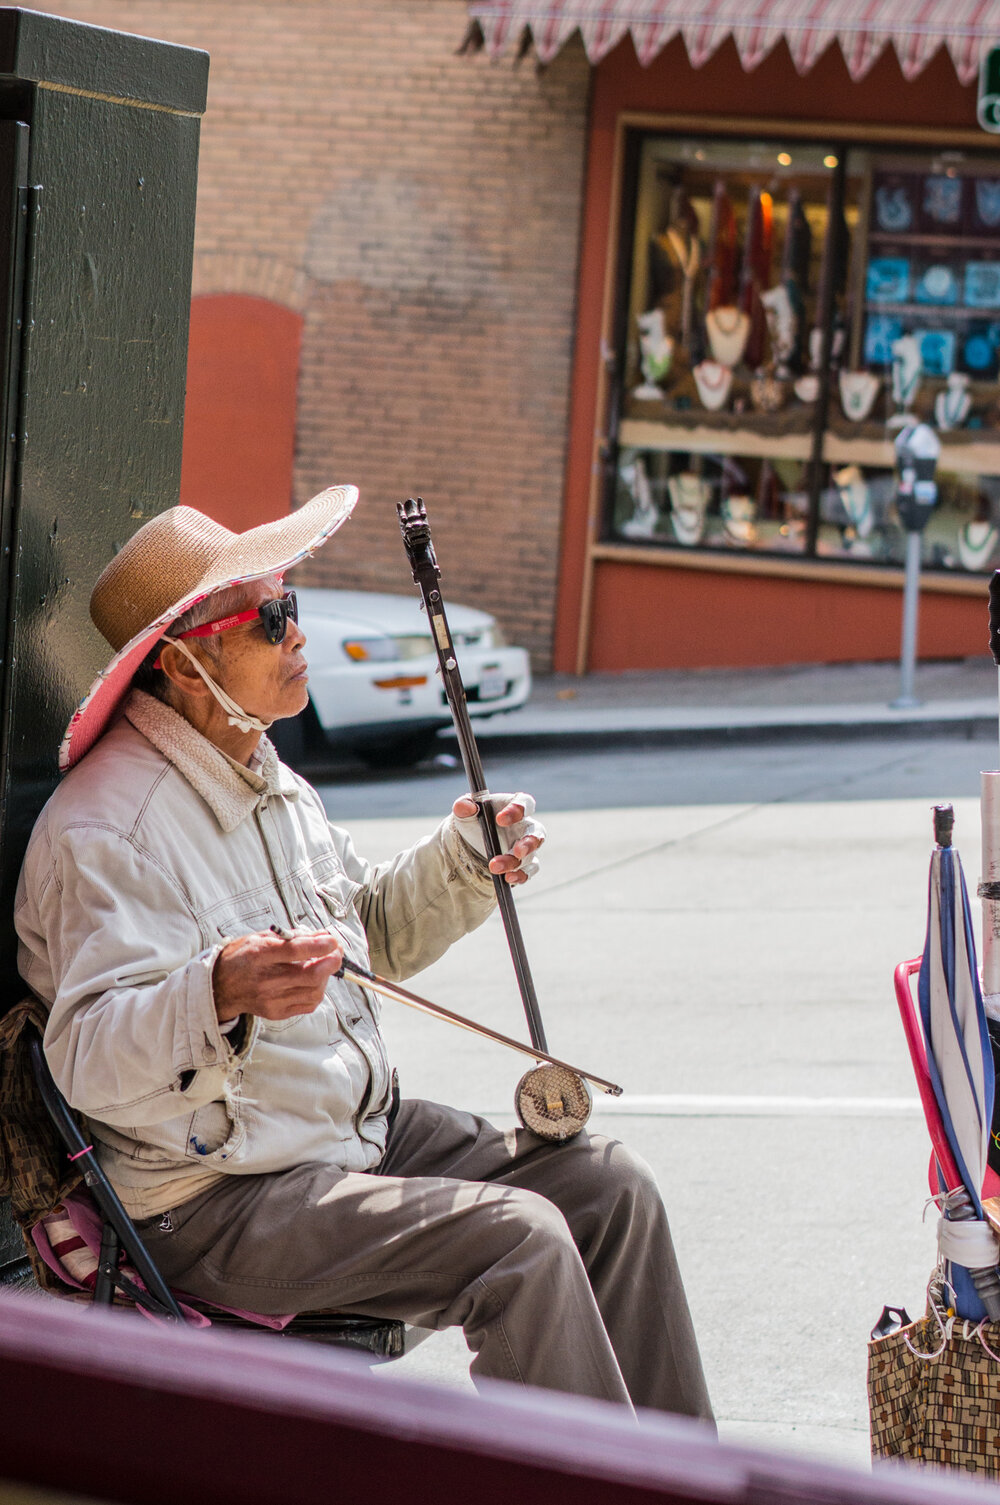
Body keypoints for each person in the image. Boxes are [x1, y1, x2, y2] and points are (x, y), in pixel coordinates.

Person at [15, 488, 713, 1423]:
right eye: (271, 617)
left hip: (347, 1139)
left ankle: (680, 1477)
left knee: (610, 1187)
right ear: (185, 662)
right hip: (216, 1197)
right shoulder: (107, 827)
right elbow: (87, 1057)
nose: (297, 631)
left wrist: (465, 862)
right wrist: (216, 991)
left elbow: (368, 938)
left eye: (292, 603)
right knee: (524, 1242)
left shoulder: (271, 780)